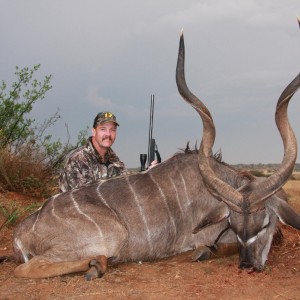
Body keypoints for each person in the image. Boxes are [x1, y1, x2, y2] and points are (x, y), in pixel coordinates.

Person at [59, 111, 126, 192]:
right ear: (94, 131)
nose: (108, 134)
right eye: (103, 129)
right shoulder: (77, 160)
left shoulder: (116, 163)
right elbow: (81, 199)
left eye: (112, 130)